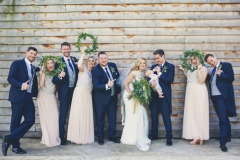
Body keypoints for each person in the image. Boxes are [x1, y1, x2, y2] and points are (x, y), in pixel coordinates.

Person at [2, 47, 39, 156]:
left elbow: (30, 73)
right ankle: (15, 147)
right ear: (26, 53)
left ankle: (8, 138)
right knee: (16, 121)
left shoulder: (32, 67)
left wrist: (39, 69)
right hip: (18, 96)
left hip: (28, 97)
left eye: (34, 54)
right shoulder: (17, 63)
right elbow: (10, 78)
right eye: (31, 53)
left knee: (30, 119)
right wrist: (21, 85)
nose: (33, 56)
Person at [204, 54, 236, 152]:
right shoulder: (213, 70)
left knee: (222, 120)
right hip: (215, 97)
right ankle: (227, 137)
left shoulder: (226, 65)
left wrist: (222, 74)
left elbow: (231, 78)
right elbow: (212, 81)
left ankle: (223, 143)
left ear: (215, 56)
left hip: (222, 97)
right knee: (223, 117)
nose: (212, 63)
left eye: (212, 60)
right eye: (209, 63)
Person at [119, 58, 151, 151]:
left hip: (137, 97)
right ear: (137, 64)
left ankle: (138, 136)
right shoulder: (134, 73)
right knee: (132, 115)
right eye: (140, 63)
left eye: (144, 63)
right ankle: (129, 138)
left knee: (139, 114)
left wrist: (141, 97)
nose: (142, 64)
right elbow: (126, 84)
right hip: (130, 96)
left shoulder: (142, 74)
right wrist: (131, 94)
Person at [178, 56, 209, 145]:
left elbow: (201, 81)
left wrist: (199, 70)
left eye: (195, 59)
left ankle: (201, 136)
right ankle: (196, 136)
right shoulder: (191, 68)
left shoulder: (203, 68)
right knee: (192, 112)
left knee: (199, 112)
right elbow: (190, 77)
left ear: (199, 59)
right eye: (192, 60)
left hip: (199, 91)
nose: (193, 61)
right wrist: (183, 70)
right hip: (190, 91)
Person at [67, 49, 95, 144]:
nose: (91, 62)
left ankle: (84, 136)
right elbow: (78, 65)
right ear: (86, 62)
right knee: (79, 113)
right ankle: (77, 137)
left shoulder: (92, 73)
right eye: (89, 61)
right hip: (80, 93)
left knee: (85, 114)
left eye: (93, 61)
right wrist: (83, 54)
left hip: (88, 94)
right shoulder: (83, 69)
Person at [92, 51, 121, 145]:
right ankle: (100, 136)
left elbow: (118, 78)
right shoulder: (95, 70)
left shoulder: (113, 65)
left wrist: (118, 91)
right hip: (100, 98)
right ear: (98, 60)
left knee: (112, 117)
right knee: (100, 119)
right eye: (102, 58)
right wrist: (107, 85)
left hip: (112, 97)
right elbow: (96, 85)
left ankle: (112, 136)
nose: (104, 60)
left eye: (105, 58)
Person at [52, 42, 78, 145]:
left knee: (76, 114)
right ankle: (61, 136)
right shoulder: (58, 62)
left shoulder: (74, 60)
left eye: (67, 49)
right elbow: (54, 80)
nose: (66, 51)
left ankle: (75, 136)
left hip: (75, 92)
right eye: (64, 49)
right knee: (63, 115)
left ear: (70, 49)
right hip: (64, 92)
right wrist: (60, 76)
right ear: (61, 50)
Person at [149, 49, 175, 146]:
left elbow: (169, 80)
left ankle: (169, 137)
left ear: (163, 56)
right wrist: (150, 82)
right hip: (154, 96)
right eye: (155, 58)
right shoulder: (153, 67)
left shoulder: (170, 66)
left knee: (166, 117)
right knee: (154, 116)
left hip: (164, 96)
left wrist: (160, 73)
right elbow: (149, 77)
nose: (157, 60)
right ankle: (154, 135)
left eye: (158, 58)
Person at [37, 58, 61, 147]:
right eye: (48, 63)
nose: (50, 65)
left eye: (51, 63)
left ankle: (54, 137)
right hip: (43, 96)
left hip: (51, 96)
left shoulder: (56, 73)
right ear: (45, 65)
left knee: (54, 117)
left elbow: (55, 87)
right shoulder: (43, 73)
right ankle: (47, 138)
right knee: (46, 118)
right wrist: (42, 73)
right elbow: (41, 85)